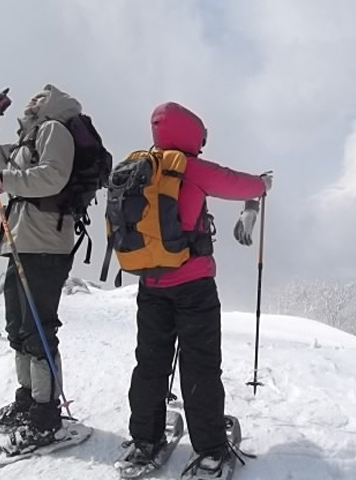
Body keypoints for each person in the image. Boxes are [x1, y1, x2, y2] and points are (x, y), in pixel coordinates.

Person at [126, 102, 271, 477]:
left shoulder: (139, 167)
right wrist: (262, 184)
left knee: (151, 363)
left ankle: (145, 439)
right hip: (193, 286)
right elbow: (238, 182)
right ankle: (208, 450)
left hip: (151, 283)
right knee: (200, 367)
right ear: (192, 134)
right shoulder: (190, 167)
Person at [0, 85, 81, 448]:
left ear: (48, 105)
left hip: (46, 244)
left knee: (37, 331)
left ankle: (46, 417)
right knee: (18, 329)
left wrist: (4, 180)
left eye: (37, 98)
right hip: (22, 241)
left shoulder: (54, 131)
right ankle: (28, 401)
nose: (30, 102)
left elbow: (54, 176)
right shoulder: (25, 142)